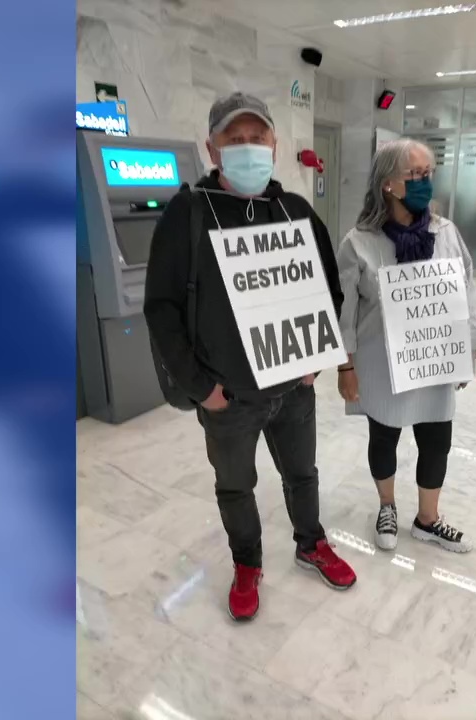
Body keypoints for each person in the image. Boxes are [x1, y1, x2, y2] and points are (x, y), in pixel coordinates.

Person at [144, 92, 357, 622]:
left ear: (275, 145)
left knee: (302, 474)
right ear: (211, 148)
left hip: (293, 389)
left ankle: (311, 544)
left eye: (256, 138)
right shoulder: (189, 214)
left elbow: (329, 291)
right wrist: (201, 388)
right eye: (233, 140)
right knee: (236, 486)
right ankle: (247, 563)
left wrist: (315, 358)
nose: (246, 148)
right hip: (228, 396)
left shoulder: (297, 212)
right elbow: (162, 309)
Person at [335, 139, 476, 554]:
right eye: (414, 174)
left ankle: (428, 519)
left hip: (436, 358)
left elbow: (467, 289)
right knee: (384, 437)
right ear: (388, 184)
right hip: (381, 363)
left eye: (428, 172)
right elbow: (345, 310)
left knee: (436, 440)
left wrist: (469, 345)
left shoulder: (446, 233)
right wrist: (345, 368)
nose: (425, 181)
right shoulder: (359, 242)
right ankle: (387, 506)